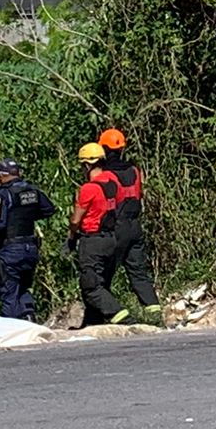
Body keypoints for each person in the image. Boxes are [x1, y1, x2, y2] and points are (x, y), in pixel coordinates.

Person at [0, 158, 56, 321]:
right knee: (23, 288)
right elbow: (49, 209)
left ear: (2, 175)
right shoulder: (32, 190)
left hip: (10, 251)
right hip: (30, 249)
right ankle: (29, 320)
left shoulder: (2, 195)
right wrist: (27, 216)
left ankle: (10, 329)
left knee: (8, 292)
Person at [98, 127, 159, 319]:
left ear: (104, 150)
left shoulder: (106, 176)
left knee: (104, 274)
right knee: (138, 272)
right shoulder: (134, 170)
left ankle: (111, 315)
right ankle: (154, 312)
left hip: (118, 228)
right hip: (135, 227)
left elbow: (104, 205)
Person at [70, 142, 130, 326]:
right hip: (111, 239)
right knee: (101, 282)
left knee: (91, 286)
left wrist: (71, 238)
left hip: (93, 241)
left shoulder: (89, 188)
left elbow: (75, 220)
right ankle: (92, 323)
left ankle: (121, 315)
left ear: (87, 165)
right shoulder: (113, 183)